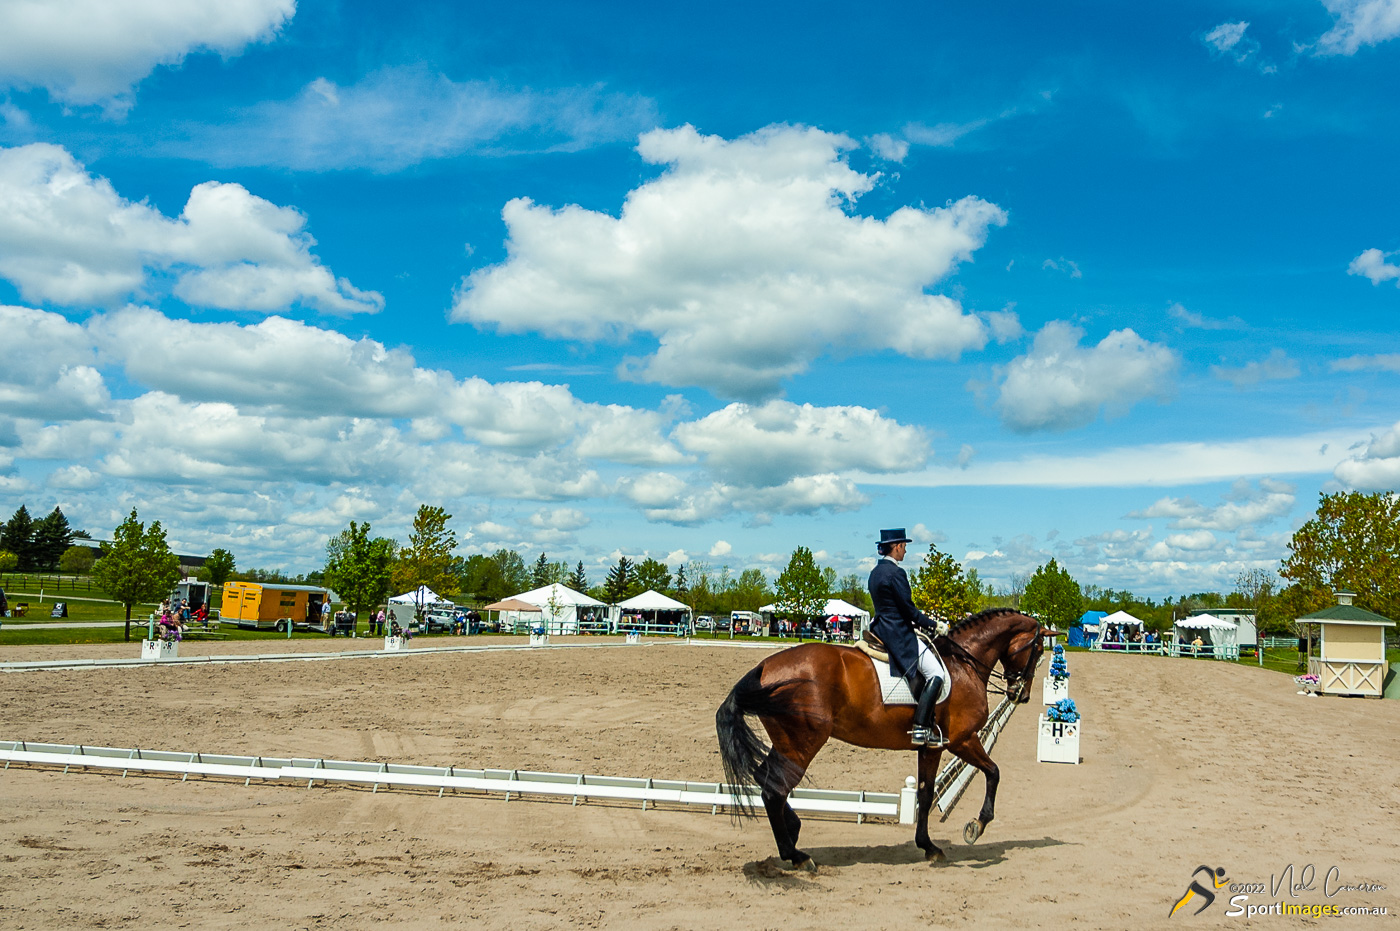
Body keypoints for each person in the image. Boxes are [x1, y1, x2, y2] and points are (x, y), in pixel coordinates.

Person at [868, 528, 949, 746]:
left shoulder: (876, 572)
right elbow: (909, 611)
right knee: (936, 673)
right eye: (904, 547)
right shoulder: (896, 573)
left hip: (880, 628)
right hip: (898, 633)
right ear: (896, 547)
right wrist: (935, 625)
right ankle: (921, 727)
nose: (905, 552)